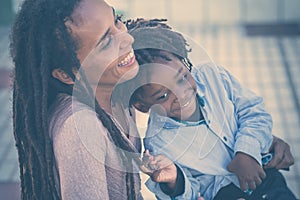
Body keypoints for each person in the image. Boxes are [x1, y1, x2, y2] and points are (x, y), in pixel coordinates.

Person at [10, 0, 183, 199]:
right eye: (106, 42)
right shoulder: (80, 128)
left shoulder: (116, 93)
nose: (126, 38)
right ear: (67, 74)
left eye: (116, 20)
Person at [118, 18, 297, 200]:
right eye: (163, 96)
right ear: (142, 105)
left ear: (184, 61)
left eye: (182, 77)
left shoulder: (214, 77)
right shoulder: (158, 144)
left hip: (265, 178)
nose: (182, 94)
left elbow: (253, 111)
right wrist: (176, 181)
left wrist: (247, 152)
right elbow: (191, 191)